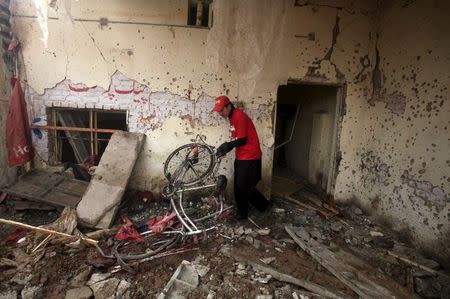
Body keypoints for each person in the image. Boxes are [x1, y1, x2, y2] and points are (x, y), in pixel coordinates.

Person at [213, 95, 270, 220]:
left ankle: (263, 205)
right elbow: (238, 138)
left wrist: (228, 145)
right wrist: (227, 147)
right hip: (242, 155)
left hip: (250, 155)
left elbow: (243, 140)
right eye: (218, 111)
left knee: (245, 187)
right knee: (238, 186)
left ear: (228, 106)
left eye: (221, 110)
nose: (220, 113)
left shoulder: (239, 116)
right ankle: (242, 211)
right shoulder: (231, 117)